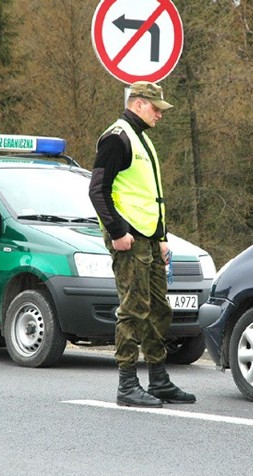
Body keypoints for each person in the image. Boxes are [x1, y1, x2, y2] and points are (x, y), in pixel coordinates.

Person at [88, 81, 195, 408]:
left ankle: (158, 379)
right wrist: (118, 232)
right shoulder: (117, 137)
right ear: (137, 104)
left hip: (148, 239)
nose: (160, 115)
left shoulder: (141, 139)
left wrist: (162, 237)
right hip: (129, 239)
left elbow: (152, 197)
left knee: (158, 308)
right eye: (155, 108)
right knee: (134, 308)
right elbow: (98, 190)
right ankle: (127, 383)